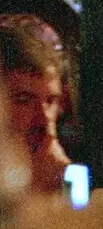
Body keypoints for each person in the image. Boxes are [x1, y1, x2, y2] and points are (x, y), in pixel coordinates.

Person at [0, 23, 70, 195]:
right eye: (23, 100)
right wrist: (35, 188)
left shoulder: (58, 164)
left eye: (51, 100)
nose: (44, 118)